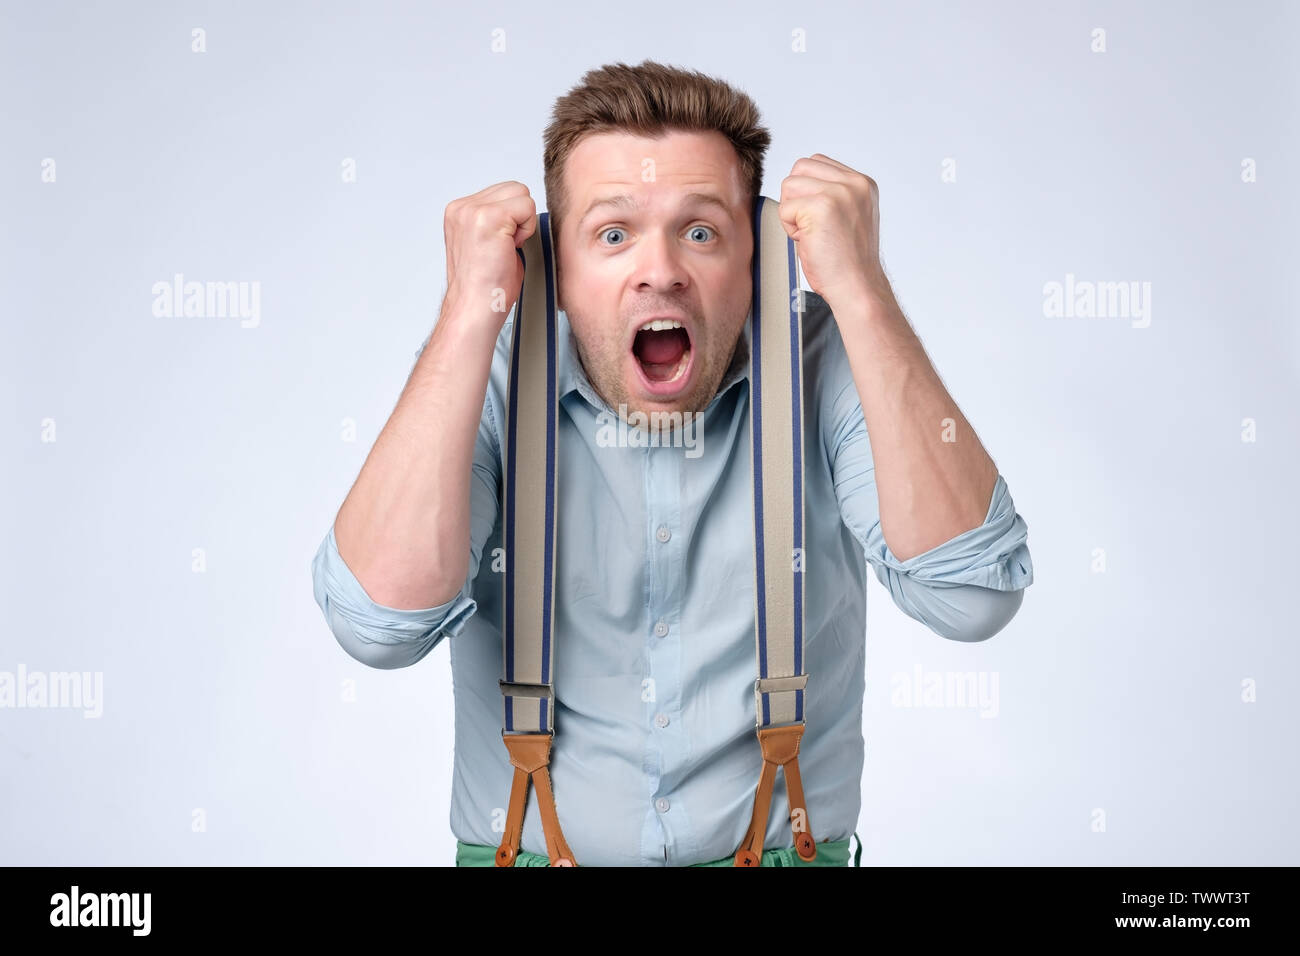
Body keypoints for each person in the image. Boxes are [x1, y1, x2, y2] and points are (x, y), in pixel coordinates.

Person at [310, 59, 1034, 867]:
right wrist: (465, 311)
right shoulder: (488, 370)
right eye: (612, 234)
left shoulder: (825, 360)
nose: (660, 270)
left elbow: (971, 597)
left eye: (701, 231)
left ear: (757, 252)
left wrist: (858, 288)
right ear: (555, 263)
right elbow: (377, 628)